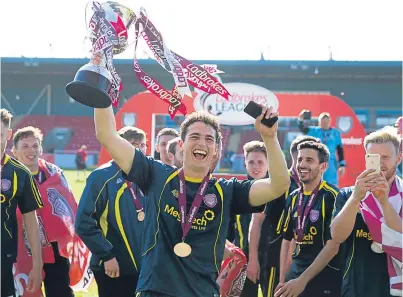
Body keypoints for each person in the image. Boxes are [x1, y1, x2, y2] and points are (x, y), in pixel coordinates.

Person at [93, 102, 290, 297]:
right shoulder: (157, 175)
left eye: (209, 139)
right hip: (155, 291)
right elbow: (107, 136)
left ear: (215, 151)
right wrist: (99, 85)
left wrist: (269, 137)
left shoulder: (227, 191)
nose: (201, 143)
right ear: (181, 144)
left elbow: (278, 185)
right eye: (194, 136)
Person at [76, 126, 147, 297]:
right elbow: (84, 222)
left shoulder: (148, 175)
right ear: (118, 146)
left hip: (145, 269)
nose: (138, 149)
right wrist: (106, 255)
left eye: (142, 144)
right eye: (132, 144)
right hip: (114, 266)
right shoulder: (102, 177)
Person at [331, 126, 402, 297]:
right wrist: (356, 198)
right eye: (374, 158)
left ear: (398, 158)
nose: (380, 164)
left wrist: (384, 201)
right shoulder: (349, 194)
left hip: (394, 288)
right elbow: (337, 236)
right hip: (357, 286)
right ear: (366, 159)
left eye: (385, 157)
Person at [248, 135, 319, 297]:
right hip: (275, 255)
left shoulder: (316, 187)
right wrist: (253, 258)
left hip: (304, 257)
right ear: (295, 156)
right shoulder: (277, 183)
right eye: (304, 158)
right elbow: (256, 221)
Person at [12, 126, 76, 297]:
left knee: (60, 291)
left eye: (35, 145)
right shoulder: (7, 178)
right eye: (25, 146)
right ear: (14, 151)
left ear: (41, 148)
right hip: (20, 247)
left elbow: (70, 207)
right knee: (25, 290)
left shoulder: (54, 174)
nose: (31, 150)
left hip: (55, 248)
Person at [275, 141, 341, 297]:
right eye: (299, 159)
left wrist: (302, 281)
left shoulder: (332, 196)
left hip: (324, 279)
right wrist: (283, 279)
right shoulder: (292, 197)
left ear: (323, 166)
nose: (302, 164)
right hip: (295, 277)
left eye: (309, 160)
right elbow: (287, 241)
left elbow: (333, 246)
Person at [1, 109, 43, 297]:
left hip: (3, 257)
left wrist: (37, 264)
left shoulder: (20, 173)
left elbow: (31, 222)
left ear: (8, 135)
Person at [229, 141, 269, 297]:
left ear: (268, 163)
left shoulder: (277, 192)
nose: (255, 166)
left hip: (269, 258)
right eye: (251, 162)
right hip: (242, 259)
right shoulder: (237, 192)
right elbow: (229, 229)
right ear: (245, 163)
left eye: (260, 162)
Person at [298, 110, 346, 186]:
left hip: (331, 163)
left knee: (332, 185)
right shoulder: (314, 131)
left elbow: (340, 149)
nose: (324, 124)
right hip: (317, 161)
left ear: (330, 121)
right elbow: (303, 129)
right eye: (322, 122)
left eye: (326, 122)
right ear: (319, 122)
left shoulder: (335, 133)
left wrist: (342, 165)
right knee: (316, 183)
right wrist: (301, 119)